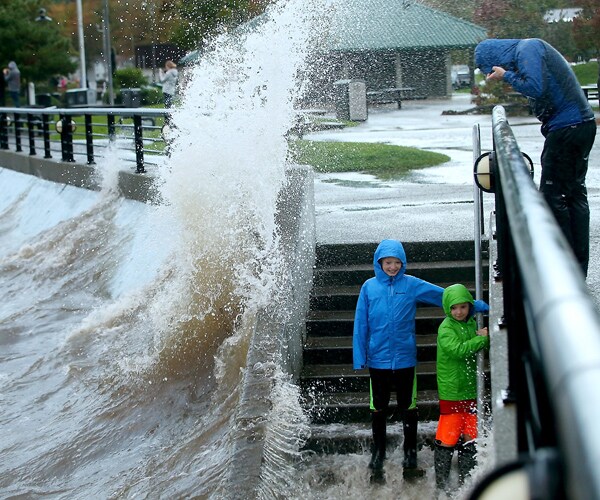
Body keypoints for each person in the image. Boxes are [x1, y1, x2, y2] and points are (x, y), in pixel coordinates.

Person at [352, 239, 489, 483]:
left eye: (396, 262)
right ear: (379, 263)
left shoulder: (411, 284)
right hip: (378, 360)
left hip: (405, 359)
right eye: (387, 262)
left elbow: (443, 296)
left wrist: (474, 306)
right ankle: (377, 460)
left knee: (409, 410)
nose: (392, 267)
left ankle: (410, 460)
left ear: (402, 264)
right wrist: (360, 356)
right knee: (378, 410)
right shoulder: (369, 287)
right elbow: (361, 323)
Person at [475, 38, 597, 278]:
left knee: (554, 197)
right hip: (579, 125)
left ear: (494, 59)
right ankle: (576, 268)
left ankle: (562, 267)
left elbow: (536, 87)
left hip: (567, 129)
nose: (493, 73)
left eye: (491, 69)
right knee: (573, 195)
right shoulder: (527, 51)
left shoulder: (527, 49)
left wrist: (506, 76)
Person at [434, 283, 489, 494]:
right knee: (448, 436)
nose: (458, 312)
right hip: (452, 390)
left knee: (471, 434)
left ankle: (467, 483)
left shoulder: (471, 323)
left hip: (470, 389)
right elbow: (457, 351)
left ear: (469, 307)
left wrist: (485, 338)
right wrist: (480, 339)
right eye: (454, 308)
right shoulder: (446, 328)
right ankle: (442, 487)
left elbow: (480, 344)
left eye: (463, 307)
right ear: (448, 308)